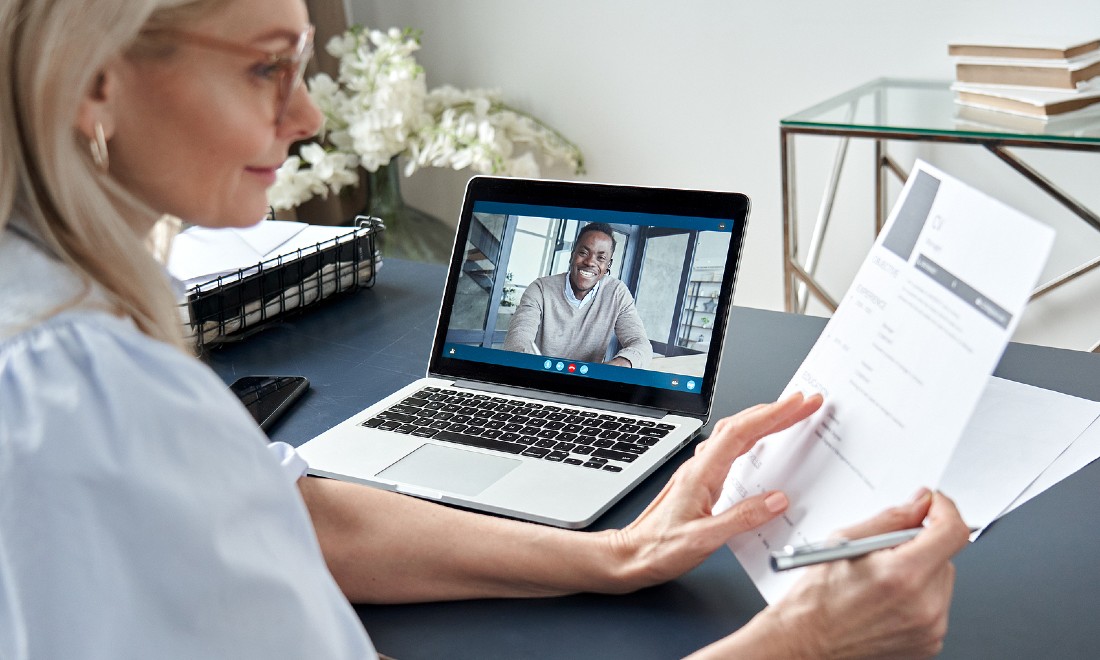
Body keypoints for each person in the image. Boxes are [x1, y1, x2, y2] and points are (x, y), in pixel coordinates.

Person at [0, 0, 971, 658]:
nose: (304, 115)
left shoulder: (53, 323)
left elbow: (291, 513)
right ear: (94, 81)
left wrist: (617, 554)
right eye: (266, 68)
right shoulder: (81, 395)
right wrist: (795, 645)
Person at [503, 222, 652, 368]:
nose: (590, 262)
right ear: (572, 255)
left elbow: (641, 344)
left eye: (601, 258)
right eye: (583, 253)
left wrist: (621, 363)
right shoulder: (540, 289)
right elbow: (518, 340)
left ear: (608, 266)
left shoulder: (617, 293)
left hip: (586, 386)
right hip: (539, 378)